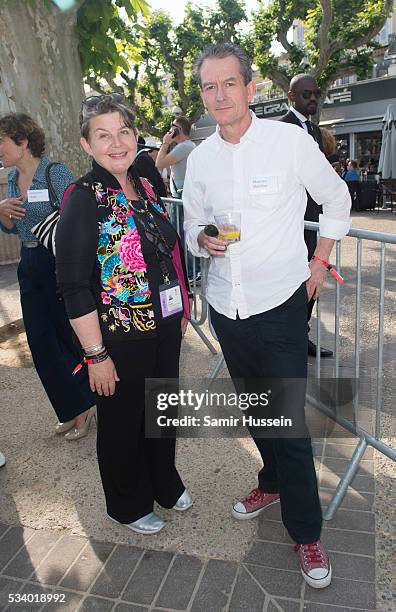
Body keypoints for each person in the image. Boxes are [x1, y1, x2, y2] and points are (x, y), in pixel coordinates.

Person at [183, 43, 351, 588]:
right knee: (258, 413)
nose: (219, 95)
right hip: (228, 308)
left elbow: (337, 197)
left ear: (250, 88)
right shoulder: (201, 157)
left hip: (280, 305)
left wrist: (319, 263)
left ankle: (306, 533)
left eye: (229, 83)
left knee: (290, 424)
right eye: (209, 86)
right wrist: (203, 238)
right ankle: (271, 480)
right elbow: (193, 224)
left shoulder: (288, 141)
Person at [56, 94, 193, 534]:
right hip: (118, 334)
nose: (116, 143)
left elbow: (165, 252)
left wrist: (183, 305)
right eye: (103, 135)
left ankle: (164, 482)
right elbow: (73, 285)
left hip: (165, 325)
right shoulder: (83, 197)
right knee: (122, 421)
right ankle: (128, 503)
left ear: (135, 136)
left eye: (124, 132)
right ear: (86, 144)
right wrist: (96, 355)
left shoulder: (146, 184)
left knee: (162, 411)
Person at [0, 113, 95, 440]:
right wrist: (2, 212)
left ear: (22, 141)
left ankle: (84, 406)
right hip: (28, 263)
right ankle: (69, 407)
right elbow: (11, 227)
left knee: (65, 339)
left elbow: (78, 218)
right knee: (40, 343)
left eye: (1, 141)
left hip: (58, 261)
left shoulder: (55, 173)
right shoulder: (12, 179)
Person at [280, 75, 333, 358]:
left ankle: (302, 335)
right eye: (306, 94)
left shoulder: (313, 130)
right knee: (291, 280)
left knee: (312, 277)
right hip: (290, 221)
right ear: (291, 95)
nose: (312, 98)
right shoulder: (280, 129)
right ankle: (291, 338)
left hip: (313, 218)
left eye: (316, 93)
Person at [156, 116, 199, 281]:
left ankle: (192, 271)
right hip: (180, 194)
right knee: (181, 233)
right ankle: (191, 271)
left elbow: (159, 163)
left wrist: (166, 142)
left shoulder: (185, 147)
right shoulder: (185, 147)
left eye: (172, 128)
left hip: (181, 196)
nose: (169, 131)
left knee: (181, 233)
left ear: (178, 130)